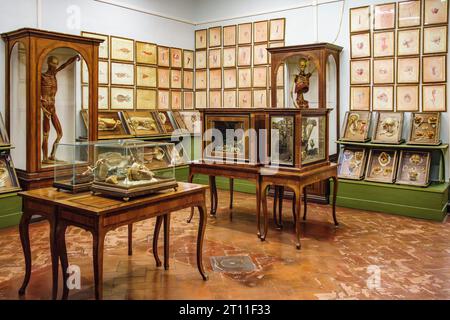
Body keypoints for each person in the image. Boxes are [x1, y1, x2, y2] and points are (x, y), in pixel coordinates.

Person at [40, 54, 80, 164]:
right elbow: (35, 96)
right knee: (46, 134)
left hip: (53, 108)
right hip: (46, 108)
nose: (55, 66)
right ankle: (44, 158)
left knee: (60, 134)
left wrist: (74, 57)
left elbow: (64, 65)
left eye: (56, 64)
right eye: (53, 63)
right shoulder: (42, 76)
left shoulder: (54, 74)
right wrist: (43, 109)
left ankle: (52, 155)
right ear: (48, 63)